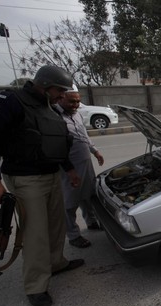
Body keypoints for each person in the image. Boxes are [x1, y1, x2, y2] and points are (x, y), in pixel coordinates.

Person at [0, 65, 84, 306]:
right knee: (36, 233)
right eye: (60, 90)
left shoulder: (50, 107)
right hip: (25, 179)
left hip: (51, 175)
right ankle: (36, 286)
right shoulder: (10, 101)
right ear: (45, 84)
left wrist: (69, 169)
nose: (62, 96)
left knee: (56, 226)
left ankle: (56, 263)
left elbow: (58, 142)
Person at [54, 84, 104, 249]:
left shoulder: (76, 115)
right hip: (68, 168)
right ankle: (74, 235)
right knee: (70, 202)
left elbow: (84, 135)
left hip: (85, 162)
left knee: (88, 195)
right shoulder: (53, 117)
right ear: (61, 98)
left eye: (78, 101)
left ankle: (91, 221)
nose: (75, 105)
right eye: (72, 102)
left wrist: (95, 151)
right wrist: (70, 170)